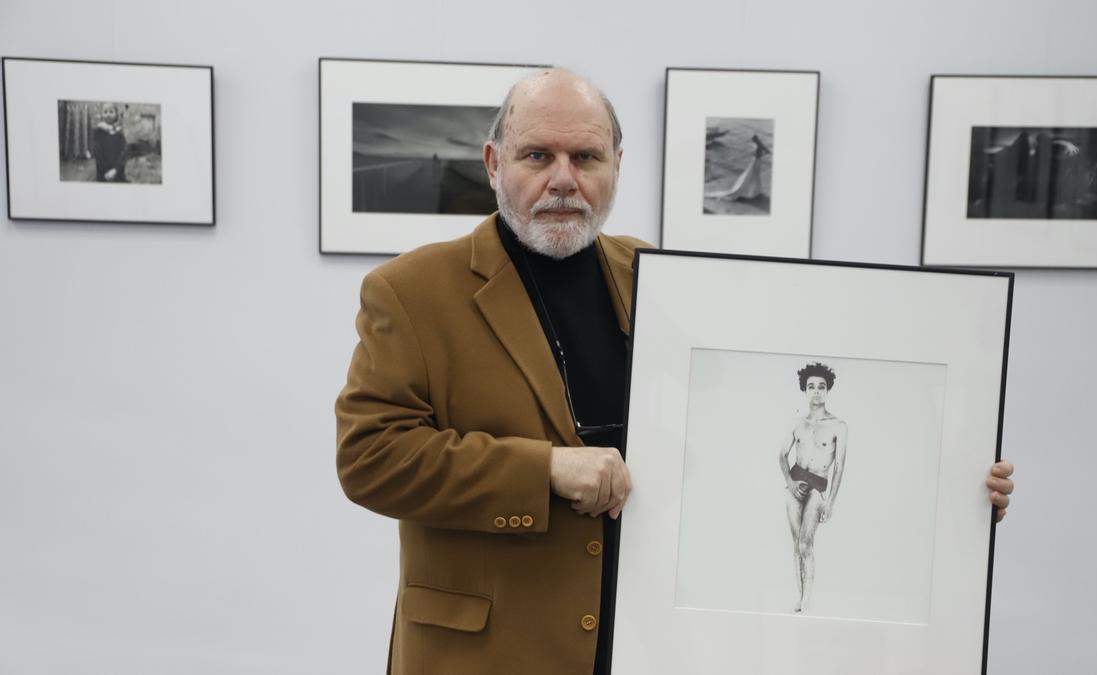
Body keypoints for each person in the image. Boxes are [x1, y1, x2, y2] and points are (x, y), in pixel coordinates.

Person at [335, 68, 1016, 675]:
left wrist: (944, 481)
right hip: (486, 654)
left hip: (648, 642)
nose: (564, 178)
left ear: (617, 166)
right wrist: (543, 468)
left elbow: (746, 417)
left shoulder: (661, 278)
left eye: (587, 156)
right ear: (492, 162)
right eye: (538, 155)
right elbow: (369, 457)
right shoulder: (411, 290)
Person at [779, 362, 846, 613]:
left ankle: (807, 602)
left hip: (818, 487)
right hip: (795, 483)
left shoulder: (839, 425)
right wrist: (790, 483)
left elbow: (839, 466)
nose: (816, 391)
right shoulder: (797, 421)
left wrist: (830, 503)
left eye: (820, 386)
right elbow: (781, 455)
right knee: (796, 543)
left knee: (807, 544)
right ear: (804, 391)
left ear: (827, 390)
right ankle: (800, 598)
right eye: (811, 386)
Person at [90, 102, 128, 183]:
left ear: (116, 114)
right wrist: (106, 171)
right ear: (102, 114)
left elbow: (124, 152)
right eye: (105, 112)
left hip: (117, 172)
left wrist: (116, 169)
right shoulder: (98, 132)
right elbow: (97, 153)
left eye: (111, 112)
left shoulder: (119, 133)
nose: (108, 114)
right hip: (103, 172)